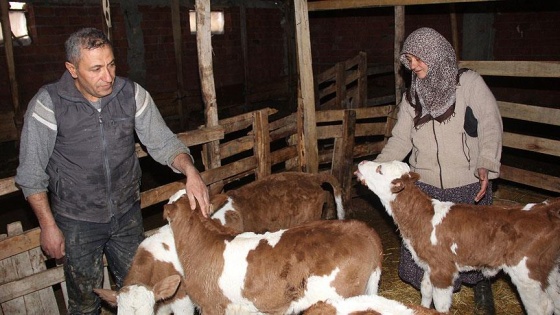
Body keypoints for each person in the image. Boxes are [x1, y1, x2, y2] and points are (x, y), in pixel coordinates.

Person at [15, 27, 210, 314]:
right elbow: (31, 173)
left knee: (139, 289)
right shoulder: (49, 104)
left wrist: (190, 172)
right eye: (96, 69)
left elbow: (164, 143)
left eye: (111, 64)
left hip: (127, 214)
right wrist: (48, 225)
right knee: (84, 300)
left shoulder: (130, 94)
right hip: (77, 220)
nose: (108, 76)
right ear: (72, 69)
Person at [374, 27, 502, 314]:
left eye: (419, 58)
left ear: (436, 55)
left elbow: (491, 123)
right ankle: (434, 294)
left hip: (466, 185)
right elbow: (400, 139)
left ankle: (482, 286)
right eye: (408, 59)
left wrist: (486, 164)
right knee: (421, 259)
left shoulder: (467, 83)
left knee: (475, 249)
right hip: (427, 190)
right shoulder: (412, 97)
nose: (413, 65)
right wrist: (376, 168)